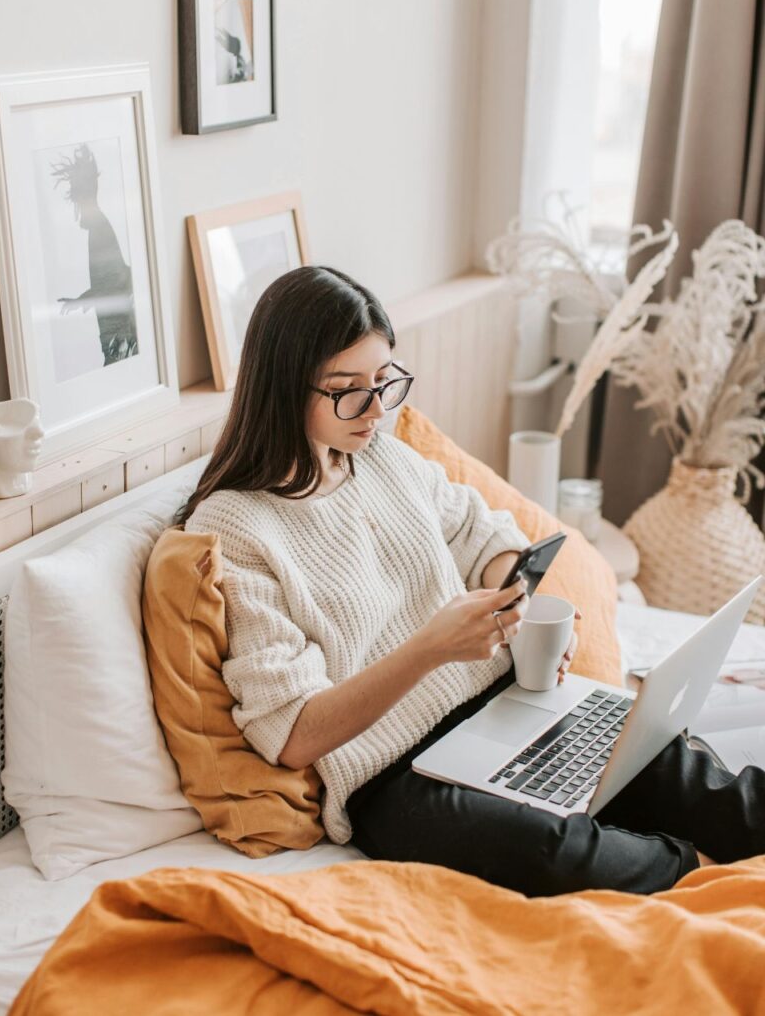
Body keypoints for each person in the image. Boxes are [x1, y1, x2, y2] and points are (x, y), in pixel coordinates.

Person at [180, 265, 765, 897]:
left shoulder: (381, 453)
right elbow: (293, 736)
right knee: (558, 853)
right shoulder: (235, 528)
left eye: (385, 382)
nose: (376, 409)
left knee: (670, 764)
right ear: (282, 388)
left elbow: (486, 537)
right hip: (393, 778)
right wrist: (431, 648)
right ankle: (709, 889)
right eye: (348, 390)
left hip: (500, 705)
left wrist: (520, 602)